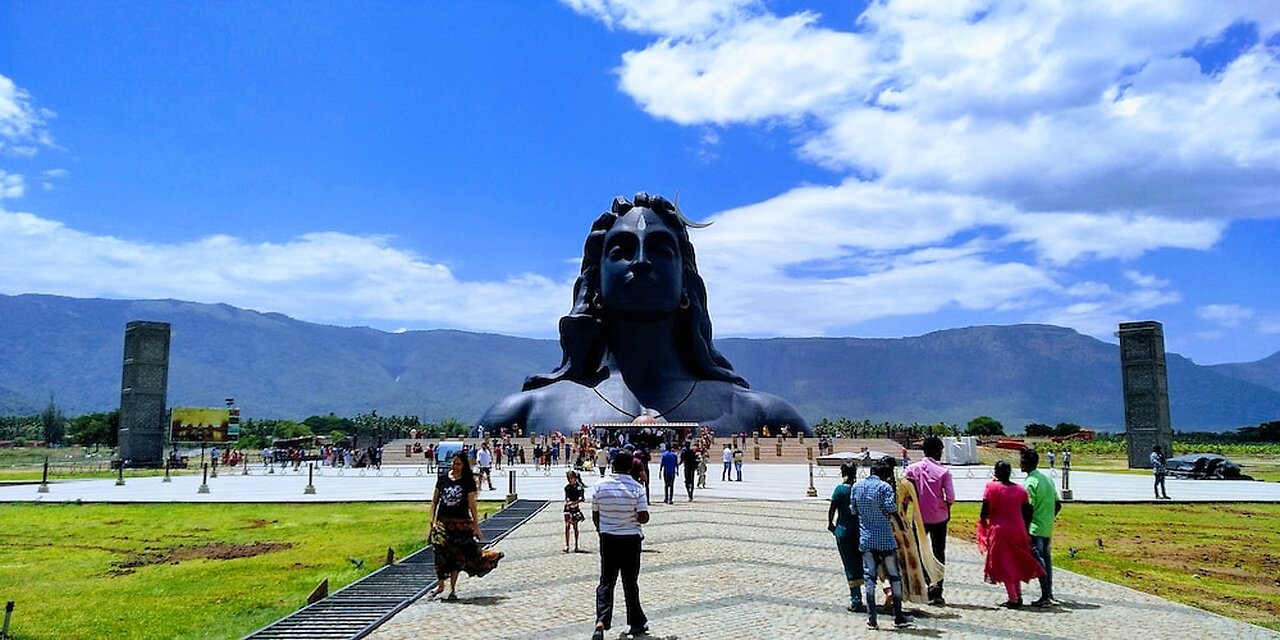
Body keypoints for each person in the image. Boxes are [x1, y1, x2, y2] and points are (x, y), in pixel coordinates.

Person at [477, 193, 810, 437]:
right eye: (621, 250)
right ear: (595, 285)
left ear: (685, 283)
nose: (640, 262)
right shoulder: (521, 413)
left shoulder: (760, 413)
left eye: (660, 249)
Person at [426, 452, 504, 601]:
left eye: (458, 464)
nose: (455, 466)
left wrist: (476, 525)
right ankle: (440, 584)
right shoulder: (443, 479)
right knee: (439, 552)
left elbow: (472, 505)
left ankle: (453, 589)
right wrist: (432, 519)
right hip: (443, 521)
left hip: (461, 524)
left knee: (457, 556)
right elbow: (435, 501)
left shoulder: (467, 482)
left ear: (463, 466)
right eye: (453, 463)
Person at [591, 453, 650, 640]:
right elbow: (643, 517)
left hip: (608, 539)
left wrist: (602, 530)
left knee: (606, 581)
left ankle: (601, 621)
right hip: (631, 540)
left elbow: (595, 514)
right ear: (630, 468)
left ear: (612, 465)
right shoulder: (637, 488)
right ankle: (635, 623)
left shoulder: (600, 485)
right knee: (630, 582)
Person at [851, 459, 913, 629]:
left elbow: (853, 510)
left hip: (866, 539)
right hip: (885, 539)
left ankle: (872, 619)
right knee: (894, 576)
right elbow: (891, 509)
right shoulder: (884, 488)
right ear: (885, 475)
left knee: (869, 578)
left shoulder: (857, 487)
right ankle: (898, 617)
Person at [977, 460, 1044, 608]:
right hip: (1018, 530)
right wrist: (1025, 528)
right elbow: (1028, 511)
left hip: (1000, 530)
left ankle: (1013, 598)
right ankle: (1018, 595)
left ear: (996, 472)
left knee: (1005, 564)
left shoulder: (991, 487)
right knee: (1015, 562)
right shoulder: (1020, 490)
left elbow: (985, 510)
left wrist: (983, 522)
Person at [904, 436, 955, 605]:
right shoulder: (944, 472)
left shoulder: (912, 470)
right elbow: (951, 497)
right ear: (936, 451)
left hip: (919, 517)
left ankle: (924, 583)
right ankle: (937, 588)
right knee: (938, 551)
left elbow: (904, 495)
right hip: (940, 517)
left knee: (918, 550)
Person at [1022, 448, 1061, 607]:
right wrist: (1049, 517)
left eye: (1023, 460)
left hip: (1035, 528)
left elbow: (1028, 509)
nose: (1021, 463)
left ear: (1029, 462)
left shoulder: (1030, 482)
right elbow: (1058, 504)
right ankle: (1049, 593)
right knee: (1046, 560)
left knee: (1039, 562)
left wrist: (1025, 529)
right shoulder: (1047, 479)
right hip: (1047, 527)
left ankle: (1045, 596)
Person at [827, 461, 866, 613]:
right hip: (860, 530)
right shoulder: (860, 489)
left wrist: (830, 524)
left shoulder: (839, 490)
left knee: (849, 563)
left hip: (843, 530)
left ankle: (856, 599)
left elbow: (832, 508)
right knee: (863, 561)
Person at [564, 470, 586, 553]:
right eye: (568, 478)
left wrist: (573, 502)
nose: (569, 480)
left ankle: (576, 545)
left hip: (575, 508)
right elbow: (567, 498)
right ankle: (567, 545)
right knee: (567, 526)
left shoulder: (579, 487)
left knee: (575, 527)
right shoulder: (567, 487)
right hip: (568, 508)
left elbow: (582, 499)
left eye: (571, 478)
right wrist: (568, 503)